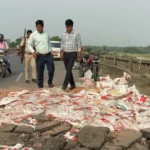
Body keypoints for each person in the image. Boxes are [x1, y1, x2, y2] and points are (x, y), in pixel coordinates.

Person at [28, 20, 55, 88]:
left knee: (51, 70)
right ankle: (40, 86)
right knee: (40, 72)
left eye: (41, 27)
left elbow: (49, 43)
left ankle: (50, 82)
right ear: (36, 27)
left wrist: (51, 52)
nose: (39, 28)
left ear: (43, 26)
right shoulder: (33, 35)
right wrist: (33, 52)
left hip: (48, 55)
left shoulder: (46, 34)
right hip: (39, 56)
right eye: (38, 27)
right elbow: (29, 44)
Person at [60, 19, 82, 91]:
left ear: (72, 26)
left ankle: (64, 85)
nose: (68, 29)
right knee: (68, 70)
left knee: (69, 69)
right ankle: (72, 84)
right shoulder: (63, 34)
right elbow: (62, 44)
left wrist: (79, 55)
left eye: (70, 27)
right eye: (67, 27)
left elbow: (79, 44)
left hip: (73, 53)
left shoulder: (76, 34)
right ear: (65, 26)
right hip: (65, 54)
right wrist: (61, 53)